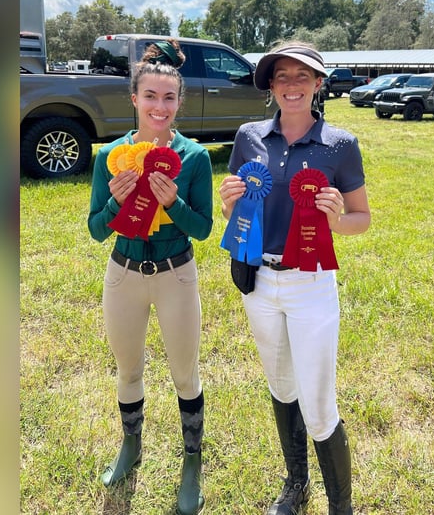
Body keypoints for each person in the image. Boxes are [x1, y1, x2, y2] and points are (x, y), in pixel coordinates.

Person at [218, 41, 371, 515]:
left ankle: (340, 507)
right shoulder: (248, 136)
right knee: (282, 385)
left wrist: (334, 219)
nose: (291, 85)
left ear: (319, 84)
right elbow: (237, 208)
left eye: (302, 76)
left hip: (311, 285)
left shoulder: (340, 144)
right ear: (270, 85)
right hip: (259, 282)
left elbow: (361, 217)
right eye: (281, 76)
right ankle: (296, 483)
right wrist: (227, 200)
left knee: (319, 402)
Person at [88, 38, 213, 515]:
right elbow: (97, 230)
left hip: (175, 275)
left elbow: (201, 229)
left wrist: (172, 202)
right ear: (134, 99)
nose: (159, 107)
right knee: (129, 370)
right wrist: (118, 202)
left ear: (179, 102)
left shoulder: (195, 159)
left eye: (169, 97)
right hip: (123, 274)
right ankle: (131, 447)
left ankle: (191, 462)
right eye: (150, 96)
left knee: (185, 372)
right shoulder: (109, 158)